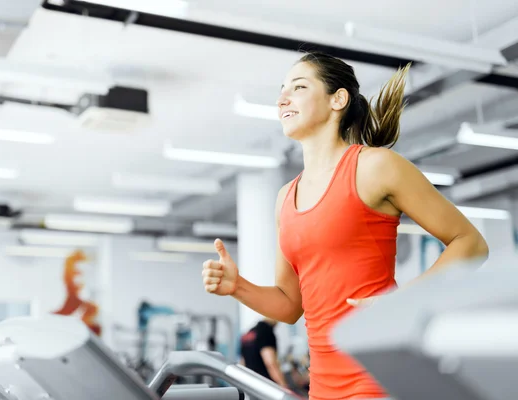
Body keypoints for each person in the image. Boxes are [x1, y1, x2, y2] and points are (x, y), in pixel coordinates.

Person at [201, 51, 489, 400]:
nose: (282, 98)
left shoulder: (375, 167)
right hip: (322, 385)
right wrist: (238, 286)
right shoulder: (285, 197)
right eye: (281, 90)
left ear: (338, 99)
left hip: (377, 379)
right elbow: (290, 305)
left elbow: (470, 242)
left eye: (299, 86)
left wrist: (402, 302)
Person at [239, 318, 288, 388]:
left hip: (251, 385)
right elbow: (270, 363)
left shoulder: (249, 333)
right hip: (266, 385)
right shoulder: (266, 332)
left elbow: (243, 362)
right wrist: (284, 386)